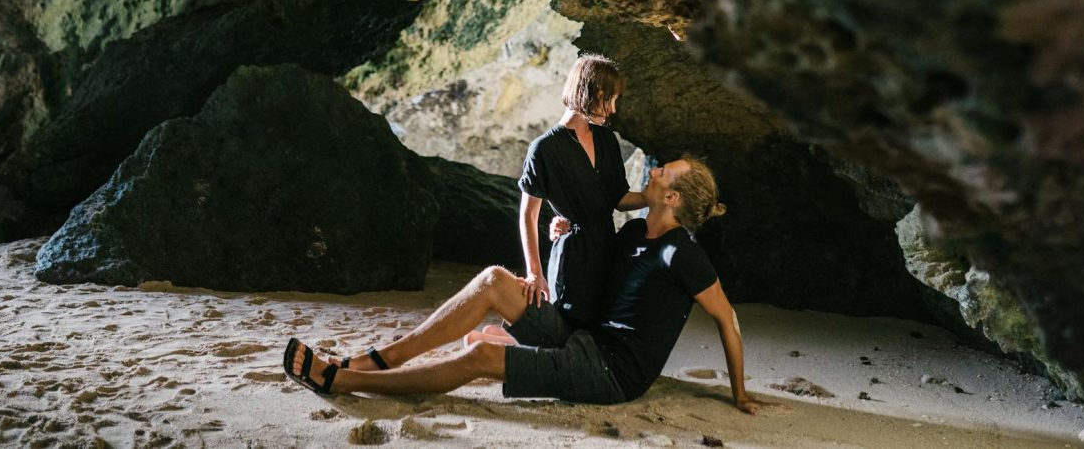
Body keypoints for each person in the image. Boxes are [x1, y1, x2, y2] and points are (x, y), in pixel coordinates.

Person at [282, 157, 767, 414]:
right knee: (495, 279)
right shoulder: (637, 231)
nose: (654, 169)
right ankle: (385, 357)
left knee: (481, 359)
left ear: (673, 197)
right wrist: (563, 234)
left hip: (610, 372)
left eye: (664, 172)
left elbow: (728, 318)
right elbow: (593, 269)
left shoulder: (684, 254)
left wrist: (739, 394)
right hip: (583, 333)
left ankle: (345, 380)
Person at [518, 53, 646, 326]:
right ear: (592, 91)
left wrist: (655, 198)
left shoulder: (606, 139)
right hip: (572, 255)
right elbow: (528, 215)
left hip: (607, 248)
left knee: (601, 328)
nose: (612, 109)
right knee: (567, 329)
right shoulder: (544, 149)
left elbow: (619, 199)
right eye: (609, 99)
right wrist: (534, 273)